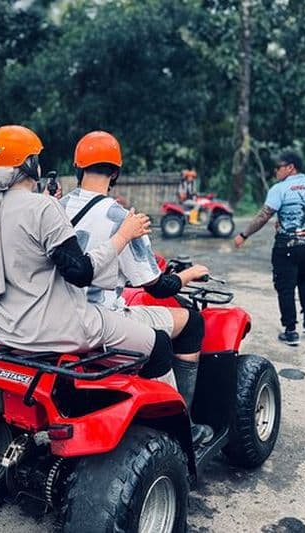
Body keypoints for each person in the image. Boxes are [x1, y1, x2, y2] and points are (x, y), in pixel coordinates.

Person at [0, 125, 176, 388]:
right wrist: (124, 235)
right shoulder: (45, 207)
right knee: (160, 345)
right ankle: (175, 413)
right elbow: (80, 272)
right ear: (30, 164)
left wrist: (46, 202)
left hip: (0, 326)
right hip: (50, 329)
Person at [61, 131, 213, 444]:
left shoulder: (56, 207)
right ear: (115, 173)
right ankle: (182, 423)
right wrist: (189, 274)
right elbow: (158, 287)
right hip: (102, 321)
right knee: (191, 323)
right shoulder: (122, 217)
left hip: (59, 316)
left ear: (77, 167)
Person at [234, 151, 305, 346]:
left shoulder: (279, 188)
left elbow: (264, 215)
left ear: (290, 167)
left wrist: (244, 234)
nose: (276, 171)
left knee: (285, 287)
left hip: (287, 247)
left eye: (278, 167)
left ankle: (290, 331)